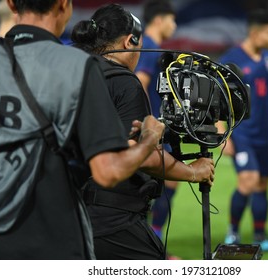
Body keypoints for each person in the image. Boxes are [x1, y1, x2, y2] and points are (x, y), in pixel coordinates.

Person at [0, 0, 165, 259]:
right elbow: (108, 171)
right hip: (47, 238)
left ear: (12, 4)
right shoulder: (78, 66)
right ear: (65, 5)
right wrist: (150, 137)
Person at [71, 3, 214, 260]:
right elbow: (144, 156)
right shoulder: (124, 81)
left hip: (67, 217)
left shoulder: (72, 72)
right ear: (129, 42)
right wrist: (195, 171)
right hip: (112, 221)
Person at [216, 10, 268, 254]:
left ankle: (261, 236)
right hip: (243, 132)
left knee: (262, 184)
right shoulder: (232, 59)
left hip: (264, 133)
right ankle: (233, 233)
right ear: (256, 33)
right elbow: (219, 97)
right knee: (247, 181)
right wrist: (222, 133)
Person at [134, 0, 178, 249]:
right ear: (159, 20)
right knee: (164, 180)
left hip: (152, 127)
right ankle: (152, 237)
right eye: (172, 20)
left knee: (167, 180)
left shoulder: (148, 46)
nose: (175, 25)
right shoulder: (150, 48)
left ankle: (152, 236)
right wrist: (148, 124)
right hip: (151, 129)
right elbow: (140, 83)